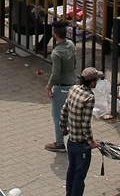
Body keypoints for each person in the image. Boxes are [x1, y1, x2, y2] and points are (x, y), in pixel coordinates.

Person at [60, 67, 101, 196]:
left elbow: (64, 110)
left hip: (71, 142)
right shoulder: (89, 97)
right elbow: (85, 124)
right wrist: (92, 142)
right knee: (79, 176)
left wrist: (63, 127)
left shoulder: (73, 89)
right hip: (82, 145)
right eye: (96, 80)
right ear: (92, 82)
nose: (97, 82)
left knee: (71, 170)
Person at [44, 22, 76, 152]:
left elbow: (56, 74)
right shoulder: (71, 45)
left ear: (55, 34)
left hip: (61, 86)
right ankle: (73, 137)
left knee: (57, 114)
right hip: (72, 84)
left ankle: (59, 143)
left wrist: (48, 86)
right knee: (69, 113)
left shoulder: (56, 53)